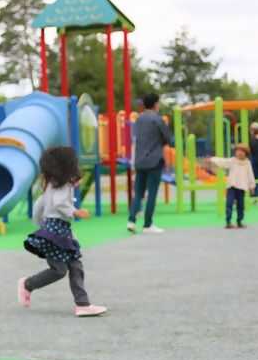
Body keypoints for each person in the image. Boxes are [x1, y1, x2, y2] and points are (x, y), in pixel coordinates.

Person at [17, 146, 107, 317]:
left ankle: (83, 304)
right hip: (56, 231)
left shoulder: (53, 184)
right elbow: (59, 203)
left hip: (57, 230)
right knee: (59, 270)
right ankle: (28, 284)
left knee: (74, 266)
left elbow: (38, 206)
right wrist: (75, 211)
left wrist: (41, 226)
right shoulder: (61, 186)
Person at [127, 93, 172, 234]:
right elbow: (168, 139)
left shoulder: (139, 119)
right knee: (152, 193)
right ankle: (147, 224)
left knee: (138, 192)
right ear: (155, 104)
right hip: (154, 160)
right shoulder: (157, 119)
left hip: (139, 160)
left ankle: (131, 220)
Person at [208, 144, 256, 229]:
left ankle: (239, 221)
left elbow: (250, 174)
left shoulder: (247, 163)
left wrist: (252, 186)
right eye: (238, 151)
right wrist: (212, 159)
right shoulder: (232, 161)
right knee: (229, 204)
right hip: (232, 186)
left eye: (242, 152)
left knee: (240, 205)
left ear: (246, 153)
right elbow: (223, 161)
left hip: (241, 187)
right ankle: (228, 221)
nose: (239, 153)